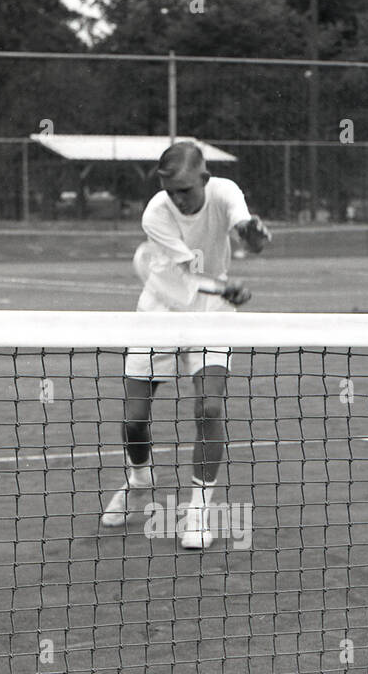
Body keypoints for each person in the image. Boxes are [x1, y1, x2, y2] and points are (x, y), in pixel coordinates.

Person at [100, 141, 270, 550]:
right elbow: (190, 269)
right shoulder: (155, 213)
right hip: (160, 308)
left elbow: (252, 241)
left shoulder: (226, 193)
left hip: (211, 312)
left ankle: (198, 512)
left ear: (205, 180)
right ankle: (140, 479)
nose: (178, 198)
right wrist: (228, 285)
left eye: (186, 190)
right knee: (134, 419)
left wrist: (254, 237)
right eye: (171, 190)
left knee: (209, 406)